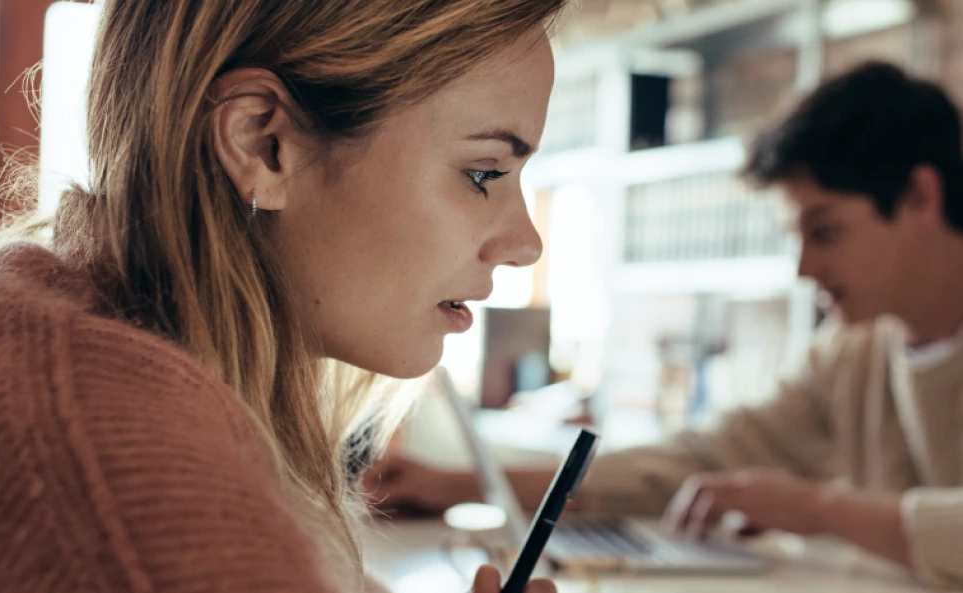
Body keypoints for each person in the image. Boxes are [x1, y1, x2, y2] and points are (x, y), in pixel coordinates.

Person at [0, 1, 569, 592]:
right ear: (261, 144)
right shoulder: (113, 485)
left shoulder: (69, 342)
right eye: (483, 173)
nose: (526, 245)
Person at [365, 61, 963, 589]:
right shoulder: (851, 353)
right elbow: (694, 464)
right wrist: (455, 484)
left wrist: (818, 509)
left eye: (825, 231)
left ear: (919, 197)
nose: (805, 268)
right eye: (798, 238)